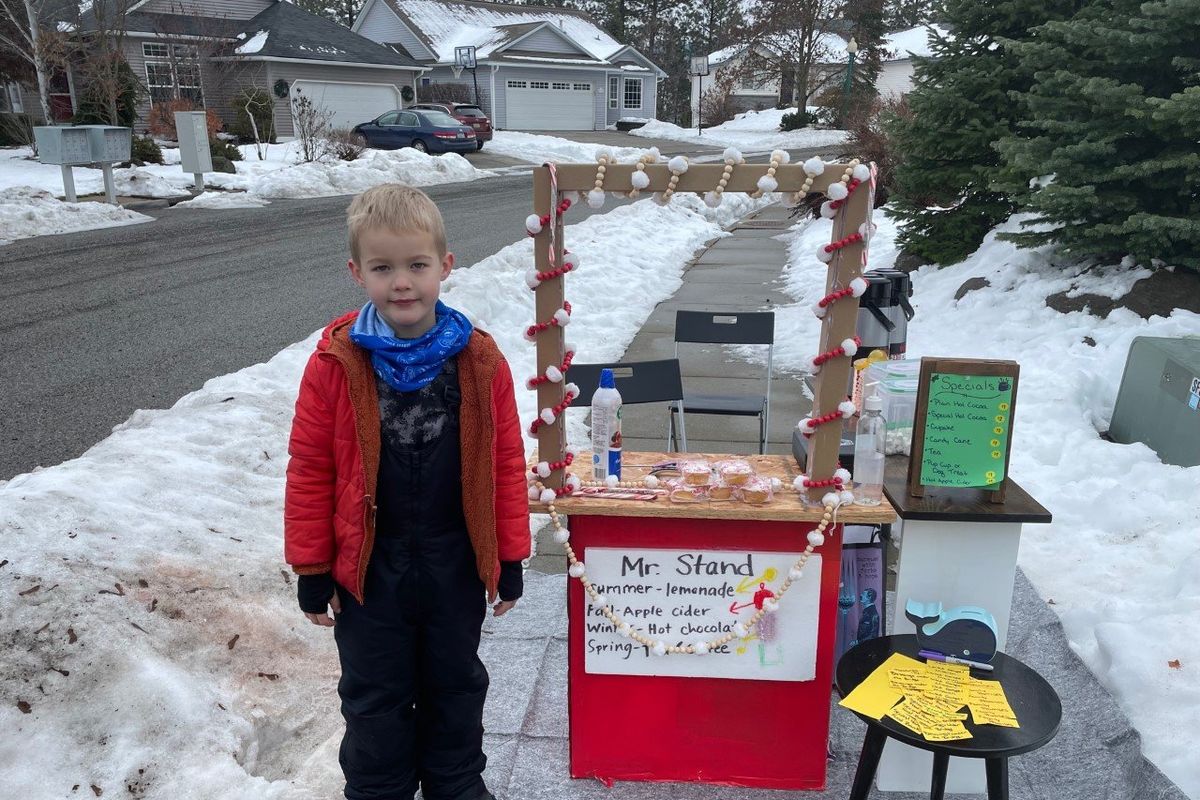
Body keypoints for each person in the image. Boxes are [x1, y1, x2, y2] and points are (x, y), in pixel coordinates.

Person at [283, 184, 530, 800]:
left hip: (452, 562)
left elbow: (504, 464)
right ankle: (378, 790)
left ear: (445, 266)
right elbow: (310, 468)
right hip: (370, 571)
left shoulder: (479, 361)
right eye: (383, 267)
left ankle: (454, 784)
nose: (402, 282)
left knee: (455, 684)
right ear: (356, 272)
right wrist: (312, 566)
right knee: (374, 695)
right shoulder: (336, 363)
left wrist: (508, 554)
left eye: (417, 265)